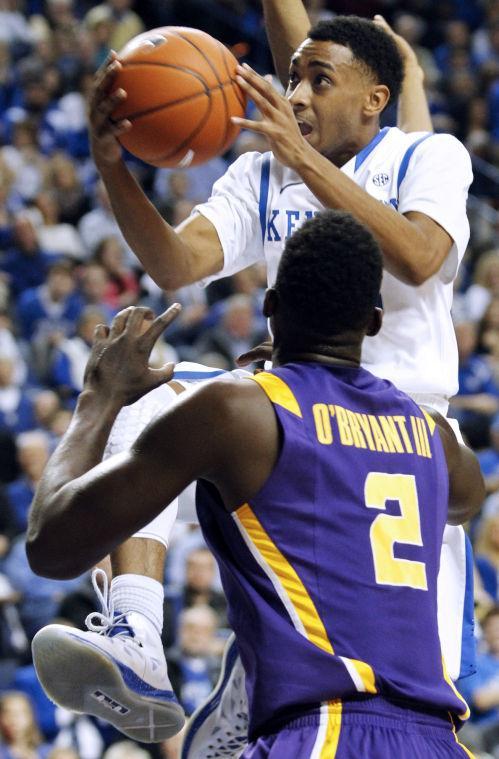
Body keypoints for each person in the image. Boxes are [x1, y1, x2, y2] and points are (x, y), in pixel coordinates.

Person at [33, 9, 475, 755]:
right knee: (168, 396)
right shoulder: (263, 169)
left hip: (399, 424)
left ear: (375, 98)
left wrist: (306, 158)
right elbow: (175, 264)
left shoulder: (425, 155)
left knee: (410, 694)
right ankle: (137, 631)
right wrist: (113, 164)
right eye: (291, 75)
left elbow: (419, 256)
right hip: (311, 420)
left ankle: (256, 685)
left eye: (316, 79)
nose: (293, 93)